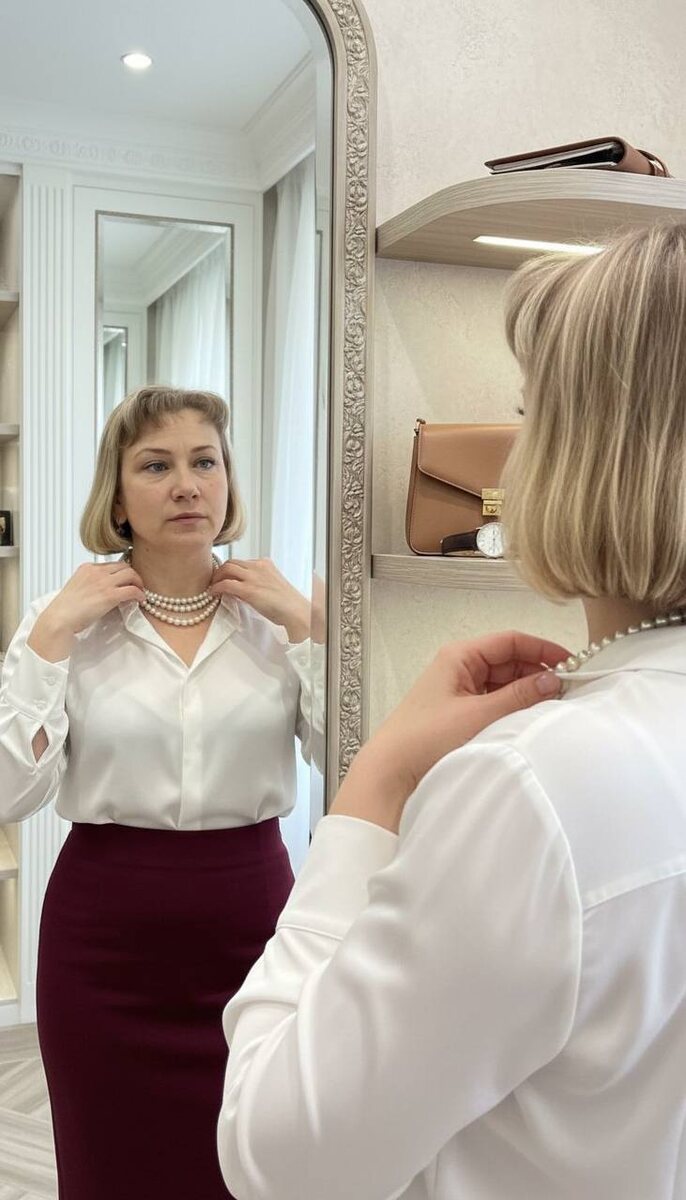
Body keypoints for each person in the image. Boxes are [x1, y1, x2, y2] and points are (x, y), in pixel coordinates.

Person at [216, 221, 686, 1200]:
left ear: (587, 452)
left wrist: (377, 783)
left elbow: (279, 1158)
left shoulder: (535, 789)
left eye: (528, 417)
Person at [0, 385, 325, 1200]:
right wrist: (50, 640)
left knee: (254, 1162)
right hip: (102, 945)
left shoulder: (281, 621)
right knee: (109, 1165)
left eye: (204, 462)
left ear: (228, 481)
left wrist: (308, 629)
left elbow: (357, 761)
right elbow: (9, 792)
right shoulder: (60, 621)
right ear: (116, 498)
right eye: (156, 466)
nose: (187, 485)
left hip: (255, 932)